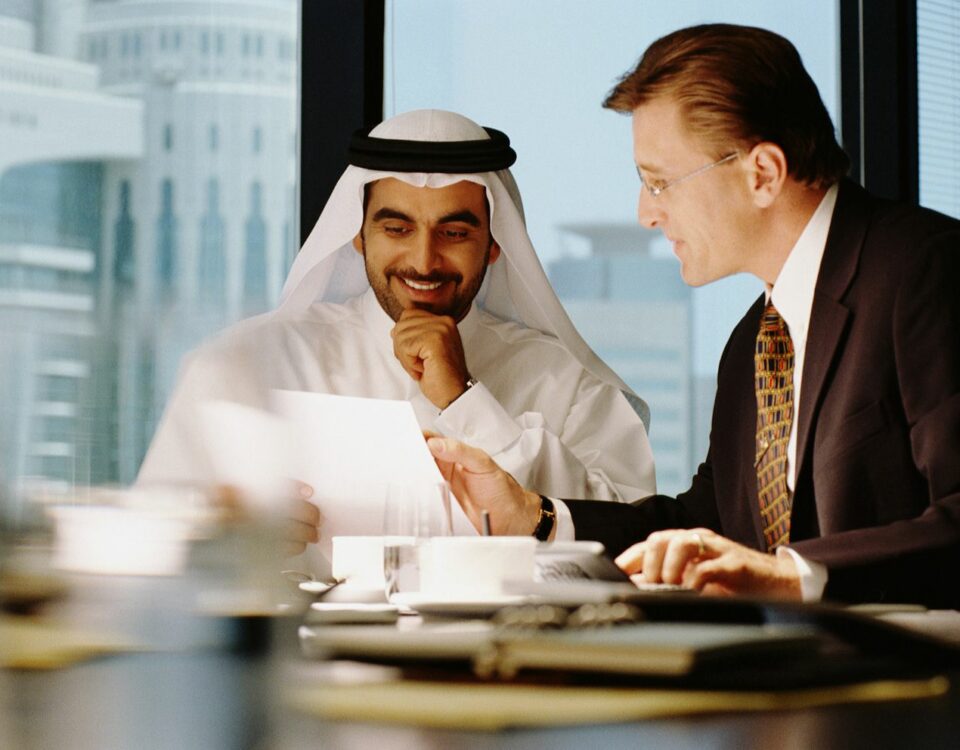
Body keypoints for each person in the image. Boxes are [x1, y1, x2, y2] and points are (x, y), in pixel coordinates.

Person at [426, 25, 960, 608]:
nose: (645, 214)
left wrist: (791, 575)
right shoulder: (754, 342)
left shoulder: (927, 271)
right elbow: (703, 529)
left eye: (660, 183)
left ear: (763, 173)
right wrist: (536, 517)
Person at [137, 109, 656, 559]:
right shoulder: (244, 362)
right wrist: (221, 537)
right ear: (359, 237)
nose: (424, 260)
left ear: (495, 245)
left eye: (454, 233)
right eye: (397, 228)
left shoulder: (566, 382)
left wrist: (464, 399)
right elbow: (144, 545)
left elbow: (632, 544)